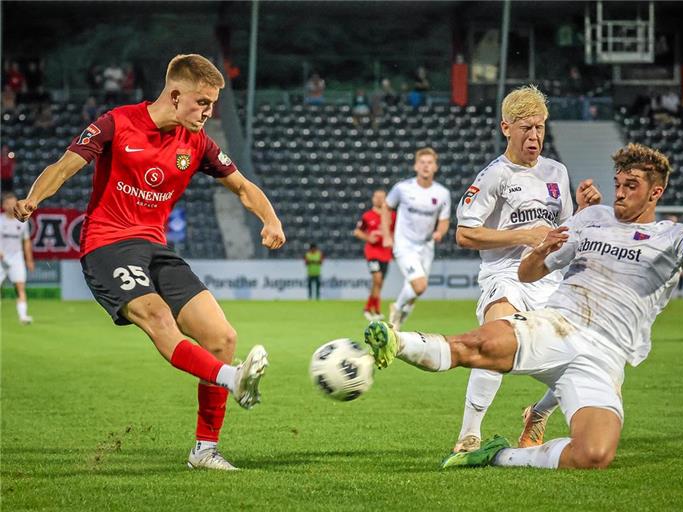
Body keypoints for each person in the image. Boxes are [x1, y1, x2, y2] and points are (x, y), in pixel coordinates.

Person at [364, 126, 683, 470]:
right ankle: (397, 341)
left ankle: (498, 455)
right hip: (558, 325)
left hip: (606, 356)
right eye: (618, 184)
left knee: (594, 455)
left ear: (656, 192)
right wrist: (538, 251)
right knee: (481, 343)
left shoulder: (674, 238)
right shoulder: (590, 219)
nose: (619, 194)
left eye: (631, 187)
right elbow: (527, 273)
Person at [13, 54, 286, 470]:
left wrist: (270, 218)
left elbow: (243, 187)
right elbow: (65, 167)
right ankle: (233, 379)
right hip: (106, 245)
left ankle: (204, 450)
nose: (209, 112)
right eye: (202, 103)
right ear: (175, 95)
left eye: (213, 104)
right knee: (159, 318)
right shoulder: (116, 122)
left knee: (223, 338)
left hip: (155, 249)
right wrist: (34, 198)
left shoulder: (198, 143)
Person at [452, 85, 601, 453]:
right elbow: (464, 234)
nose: (534, 136)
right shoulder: (494, 176)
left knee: (590, 357)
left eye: (539, 128)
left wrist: (583, 211)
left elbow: (561, 235)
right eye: (526, 128)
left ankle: (537, 414)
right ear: (506, 128)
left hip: (548, 279)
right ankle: (469, 436)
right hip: (505, 275)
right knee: (495, 335)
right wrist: (522, 235)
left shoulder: (557, 171)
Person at [380, 147, 451, 330]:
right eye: (422, 162)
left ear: (435, 167)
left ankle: (397, 323)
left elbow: (444, 220)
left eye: (430, 163)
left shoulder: (442, 193)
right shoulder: (402, 189)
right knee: (419, 286)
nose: (426, 166)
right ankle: (396, 308)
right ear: (415, 166)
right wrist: (387, 235)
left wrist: (439, 232)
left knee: (415, 293)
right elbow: (386, 208)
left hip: (426, 246)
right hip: (405, 244)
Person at [354, 189, 395, 320]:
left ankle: (369, 309)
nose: (379, 199)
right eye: (377, 197)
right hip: (372, 252)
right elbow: (357, 232)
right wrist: (368, 238)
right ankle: (374, 311)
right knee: (377, 279)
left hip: (386, 253)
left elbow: (396, 232)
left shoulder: (392, 215)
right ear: (373, 199)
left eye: (382, 197)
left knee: (379, 284)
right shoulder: (367, 216)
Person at [1, 191, 35, 324]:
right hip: (1, 259)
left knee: (20, 287)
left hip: (16, 258)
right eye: (8, 203)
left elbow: (26, 241)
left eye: (14, 203)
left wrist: (29, 260)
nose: (12, 206)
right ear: (3, 205)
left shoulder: (22, 222)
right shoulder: (0, 220)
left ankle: (23, 316)